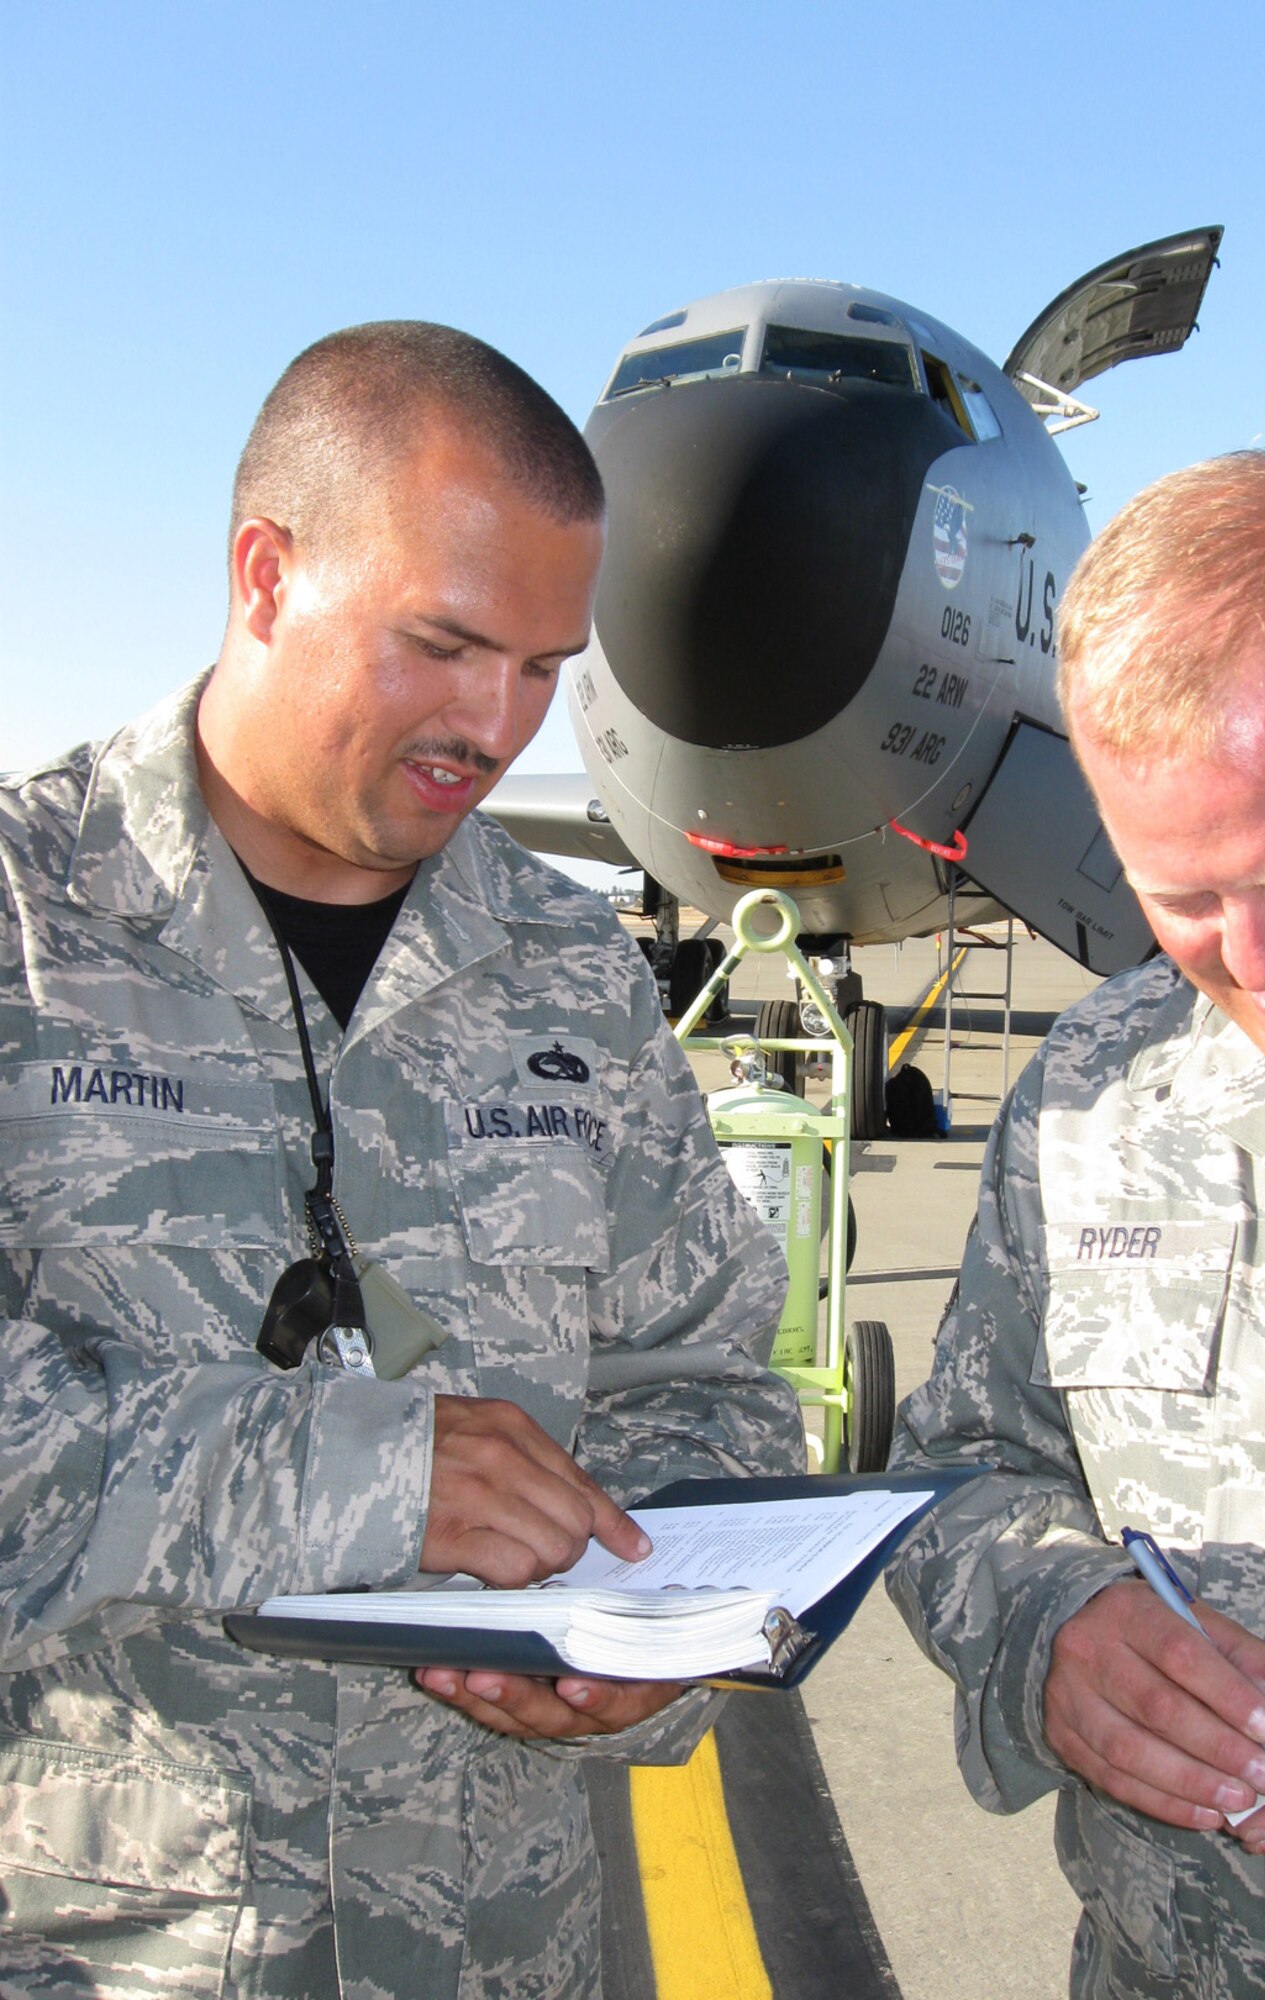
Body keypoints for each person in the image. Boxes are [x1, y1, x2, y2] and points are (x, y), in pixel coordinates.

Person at [0, 321, 803, 1998]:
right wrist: (346, 1473)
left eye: (539, 667)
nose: (495, 726)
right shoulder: (25, 925)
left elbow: (707, 1374)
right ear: (266, 576)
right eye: (443, 646)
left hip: (498, 1943)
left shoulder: (572, 969)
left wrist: (651, 1639)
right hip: (108, 1950)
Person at [886, 452, 1265, 1999]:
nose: (1259, 961)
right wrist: (1053, 1623)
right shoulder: (1094, 1094)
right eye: (1183, 898)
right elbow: (965, 1469)